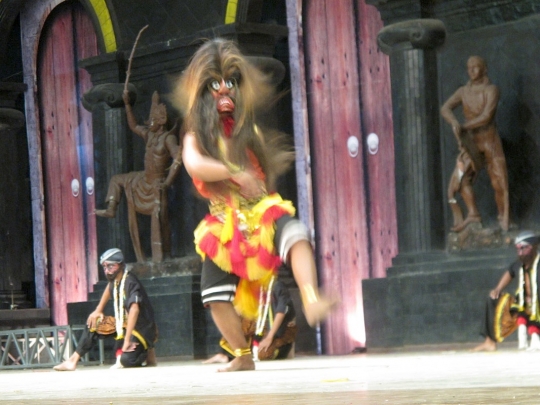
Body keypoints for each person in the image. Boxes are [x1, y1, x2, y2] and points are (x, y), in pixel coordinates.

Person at [174, 38, 334, 372]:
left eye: (230, 85)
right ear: (205, 93)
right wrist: (234, 173)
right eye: (216, 86)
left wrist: (254, 180)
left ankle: (312, 300)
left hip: (259, 210)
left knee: (296, 234)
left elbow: (261, 174)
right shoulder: (195, 135)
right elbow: (194, 165)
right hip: (224, 223)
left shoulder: (249, 131)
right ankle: (242, 355)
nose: (224, 93)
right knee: (214, 297)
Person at [95, 91, 181, 263]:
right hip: (143, 179)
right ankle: (112, 207)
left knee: (161, 220)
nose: (149, 123)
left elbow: (178, 158)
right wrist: (127, 104)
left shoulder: (168, 138)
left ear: (161, 121)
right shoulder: (149, 135)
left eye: (152, 120)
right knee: (116, 179)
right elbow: (133, 126)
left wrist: (168, 181)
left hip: (158, 182)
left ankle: (162, 257)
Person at [53, 248, 158, 371]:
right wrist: (98, 310)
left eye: (110, 267)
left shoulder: (130, 281)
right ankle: (72, 361)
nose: (107, 271)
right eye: (104, 267)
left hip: (141, 329)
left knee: (126, 360)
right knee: (93, 322)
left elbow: (134, 309)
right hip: (123, 324)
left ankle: (148, 353)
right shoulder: (115, 280)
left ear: (120, 265)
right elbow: (109, 288)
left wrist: (127, 340)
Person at [440, 55, 509, 233]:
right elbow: (445, 108)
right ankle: (473, 215)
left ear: (484, 69)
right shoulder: (463, 91)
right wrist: (455, 122)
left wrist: (464, 126)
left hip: (489, 141)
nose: (472, 70)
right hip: (470, 142)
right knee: (461, 179)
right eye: (469, 67)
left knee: (499, 183)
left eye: (476, 67)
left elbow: (486, 116)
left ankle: (503, 218)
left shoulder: (491, 90)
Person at [473, 231, 540, 352]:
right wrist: (498, 289)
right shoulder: (519, 264)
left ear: (534, 247)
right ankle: (489, 342)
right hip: (522, 308)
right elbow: (509, 273)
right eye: (518, 249)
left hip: (538, 308)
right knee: (493, 299)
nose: (520, 253)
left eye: (523, 249)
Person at [204, 278, 297, 364]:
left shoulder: (277, 285)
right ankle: (225, 355)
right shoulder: (253, 286)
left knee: (264, 354)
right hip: (258, 330)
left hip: (275, 333)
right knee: (237, 324)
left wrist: (269, 337)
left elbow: (281, 311)